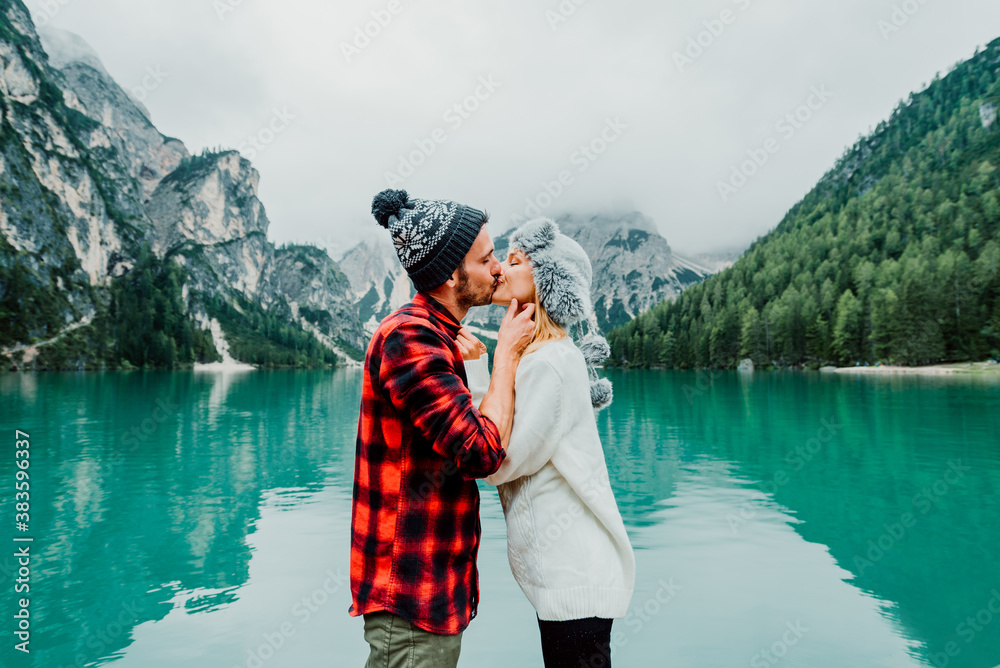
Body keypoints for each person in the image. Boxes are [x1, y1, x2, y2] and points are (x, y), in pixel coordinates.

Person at [349, 189, 536, 668]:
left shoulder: (437, 334)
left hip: (431, 592)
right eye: (487, 258)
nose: (498, 268)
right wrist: (508, 357)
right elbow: (480, 451)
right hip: (410, 599)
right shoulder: (409, 338)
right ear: (452, 276)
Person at [461, 217, 636, 668]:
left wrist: (485, 366)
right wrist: (489, 363)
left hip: (575, 581)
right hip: (568, 582)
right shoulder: (540, 357)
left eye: (514, 261)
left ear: (547, 283)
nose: (498, 268)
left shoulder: (551, 363)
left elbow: (498, 460)